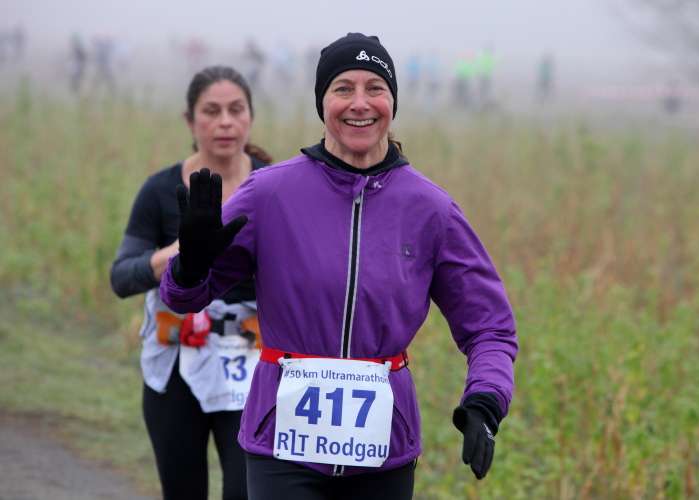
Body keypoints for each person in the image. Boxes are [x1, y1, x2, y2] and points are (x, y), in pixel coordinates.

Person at [160, 33, 517, 500]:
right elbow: (184, 298)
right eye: (343, 88)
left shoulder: (432, 209)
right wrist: (189, 267)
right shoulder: (268, 194)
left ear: (392, 101)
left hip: (383, 452)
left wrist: (485, 401)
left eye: (375, 88)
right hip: (282, 446)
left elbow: (490, 326)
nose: (360, 103)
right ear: (322, 102)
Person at [110, 65, 272, 500]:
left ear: (251, 116)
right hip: (175, 359)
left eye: (236, 110)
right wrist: (186, 251)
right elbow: (122, 277)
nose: (225, 122)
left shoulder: (273, 188)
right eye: (211, 111)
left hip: (252, 363)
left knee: (246, 492)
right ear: (190, 120)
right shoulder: (160, 191)